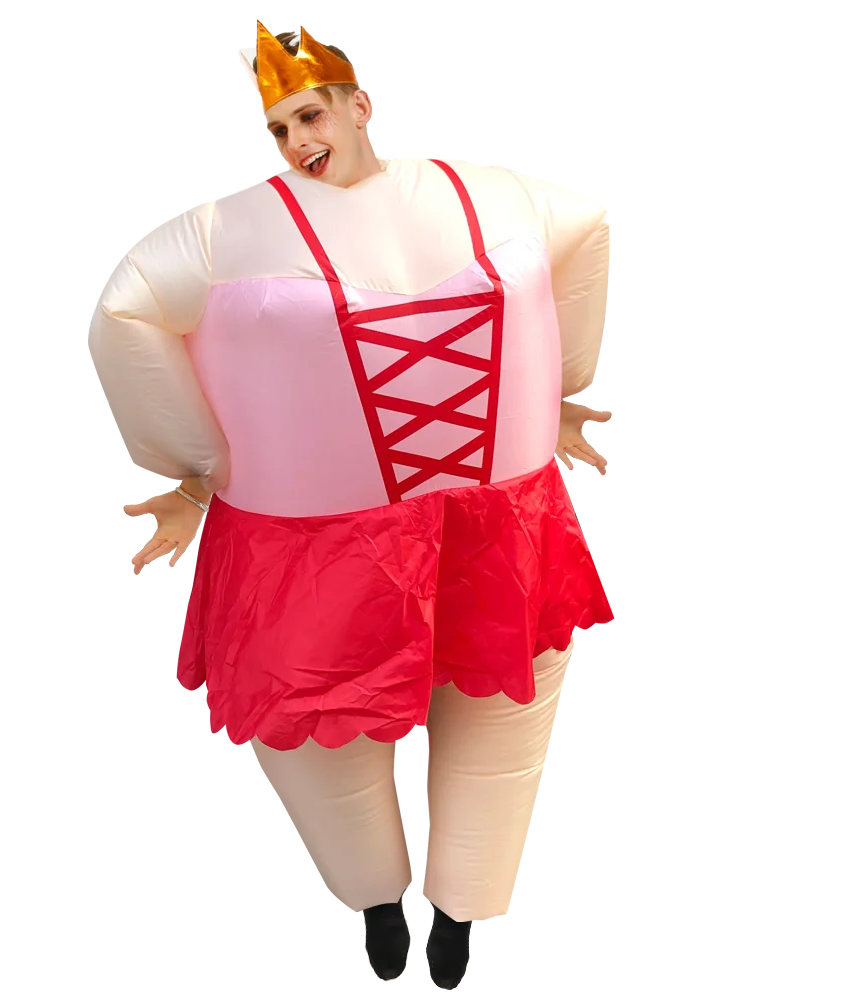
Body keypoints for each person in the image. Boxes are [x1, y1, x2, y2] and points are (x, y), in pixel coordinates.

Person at [86, 20, 613, 991]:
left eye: (311, 116)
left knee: (499, 708)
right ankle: (376, 903)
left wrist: (562, 389)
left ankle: (457, 915)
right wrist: (193, 463)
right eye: (280, 129)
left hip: (491, 515)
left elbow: (585, 233)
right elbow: (124, 306)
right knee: (324, 721)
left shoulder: (486, 193)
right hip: (327, 536)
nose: (298, 141)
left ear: (359, 105)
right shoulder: (235, 228)